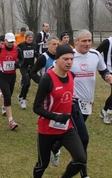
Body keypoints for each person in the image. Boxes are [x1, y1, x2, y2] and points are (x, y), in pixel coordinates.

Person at [50, 29, 112, 177]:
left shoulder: (95, 55)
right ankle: (84, 174)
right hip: (72, 102)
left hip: (87, 101)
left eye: (89, 40)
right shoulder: (69, 57)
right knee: (83, 138)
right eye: (84, 41)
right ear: (76, 41)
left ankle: (54, 146)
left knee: (72, 131)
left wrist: (108, 76)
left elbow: (103, 70)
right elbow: (53, 73)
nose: (87, 43)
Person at [33, 44, 86, 178]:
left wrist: (74, 108)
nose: (69, 62)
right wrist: (56, 117)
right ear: (57, 59)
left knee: (80, 158)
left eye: (71, 59)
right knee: (42, 164)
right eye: (65, 59)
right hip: (47, 130)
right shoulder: (47, 79)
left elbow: (69, 96)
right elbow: (36, 107)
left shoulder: (71, 76)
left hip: (66, 128)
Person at [0, 32, 23, 130]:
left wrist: (19, 64)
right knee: (8, 96)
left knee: (8, 94)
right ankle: (11, 121)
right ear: (5, 41)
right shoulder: (0, 49)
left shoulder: (17, 49)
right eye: (9, 42)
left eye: (12, 42)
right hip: (2, 75)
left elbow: (22, 60)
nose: (11, 43)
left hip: (12, 75)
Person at [17, 31, 39, 109]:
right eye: (29, 37)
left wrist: (39, 58)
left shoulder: (34, 45)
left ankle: (20, 96)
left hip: (31, 66)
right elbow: (18, 55)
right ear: (26, 38)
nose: (30, 39)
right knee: (27, 82)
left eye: (32, 37)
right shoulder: (21, 45)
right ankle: (23, 100)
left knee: (27, 84)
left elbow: (36, 54)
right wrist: (19, 62)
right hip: (23, 66)